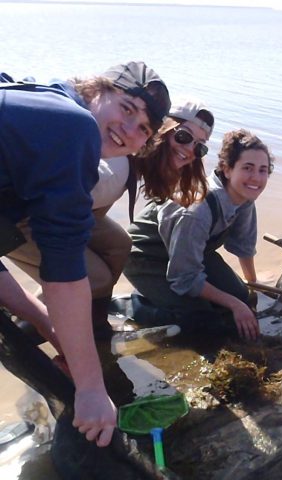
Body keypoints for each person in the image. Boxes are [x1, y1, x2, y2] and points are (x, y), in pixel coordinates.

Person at [0, 61, 170, 447]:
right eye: (126, 108)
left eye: (144, 127)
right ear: (97, 90)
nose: (130, 130)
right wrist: (92, 389)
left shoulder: (41, 97)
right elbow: (62, 269)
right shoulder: (73, 126)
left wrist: (45, 321)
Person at [124, 129, 273, 341]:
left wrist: (252, 287)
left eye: (263, 170)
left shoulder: (245, 196)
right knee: (200, 320)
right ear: (227, 169)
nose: (256, 178)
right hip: (146, 257)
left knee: (241, 295)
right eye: (247, 168)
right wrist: (234, 304)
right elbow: (184, 278)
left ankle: (175, 298)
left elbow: (243, 245)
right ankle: (137, 305)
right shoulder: (197, 211)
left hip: (190, 251)